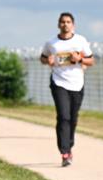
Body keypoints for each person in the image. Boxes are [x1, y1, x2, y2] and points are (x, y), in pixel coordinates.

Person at [40, 12, 94, 167]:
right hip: (59, 82)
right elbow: (43, 57)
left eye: (68, 22)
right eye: (62, 22)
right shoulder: (51, 43)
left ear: (73, 25)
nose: (65, 24)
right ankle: (64, 152)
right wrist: (47, 60)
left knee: (73, 117)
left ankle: (69, 144)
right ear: (59, 24)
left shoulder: (80, 40)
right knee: (63, 116)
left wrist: (80, 59)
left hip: (77, 83)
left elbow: (91, 60)